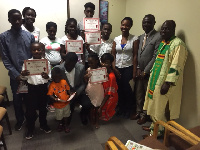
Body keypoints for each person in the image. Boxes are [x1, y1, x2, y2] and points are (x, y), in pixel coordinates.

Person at [143, 20, 188, 137]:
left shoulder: (178, 44)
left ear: (173, 30)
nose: (163, 31)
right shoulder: (164, 43)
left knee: (160, 107)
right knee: (154, 106)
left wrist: (167, 83)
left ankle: (157, 133)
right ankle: (154, 126)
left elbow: (176, 65)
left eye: (167, 29)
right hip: (156, 80)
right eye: (162, 28)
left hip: (164, 82)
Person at [0, 9, 35, 131]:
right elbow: (5, 58)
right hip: (15, 76)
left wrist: (28, 71)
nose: (17, 21)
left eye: (19, 19)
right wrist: (17, 74)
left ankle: (31, 119)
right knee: (17, 100)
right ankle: (20, 120)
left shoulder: (29, 36)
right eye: (13, 19)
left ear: (22, 19)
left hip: (28, 74)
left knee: (29, 99)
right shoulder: (3, 37)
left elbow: (33, 56)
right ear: (9, 20)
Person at [130, 14, 162, 125]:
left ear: (154, 23)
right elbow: (138, 54)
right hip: (140, 71)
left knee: (146, 94)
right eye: (144, 22)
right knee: (138, 93)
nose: (146, 24)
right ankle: (138, 112)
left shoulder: (158, 36)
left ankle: (144, 114)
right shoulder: (140, 37)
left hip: (149, 72)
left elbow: (156, 56)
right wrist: (138, 68)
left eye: (149, 22)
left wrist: (146, 71)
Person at [21, 42, 51, 140]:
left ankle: (43, 124)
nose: (37, 51)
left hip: (42, 88)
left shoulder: (46, 62)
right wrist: (23, 74)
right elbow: (24, 78)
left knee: (43, 108)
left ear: (42, 50)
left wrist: (48, 76)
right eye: (34, 50)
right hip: (31, 89)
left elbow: (49, 76)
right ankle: (30, 128)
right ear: (31, 51)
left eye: (39, 49)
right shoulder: (27, 63)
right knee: (30, 111)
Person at [112, 17, 139, 118]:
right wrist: (114, 68)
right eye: (123, 24)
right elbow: (113, 55)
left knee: (126, 87)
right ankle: (121, 107)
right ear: (120, 25)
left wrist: (134, 71)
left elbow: (135, 55)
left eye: (127, 25)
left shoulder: (134, 39)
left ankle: (129, 108)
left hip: (128, 66)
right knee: (119, 88)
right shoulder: (116, 39)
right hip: (118, 67)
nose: (124, 27)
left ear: (130, 26)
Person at [56, 52, 92, 125]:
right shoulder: (59, 69)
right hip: (66, 93)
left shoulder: (81, 68)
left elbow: (83, 83)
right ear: (65, 61)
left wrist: (76, 93)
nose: (70, 67)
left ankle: (83, 114)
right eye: (68, 64)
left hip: (78, 92)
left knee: (88, 104)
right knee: (68, 111)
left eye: (72, 65)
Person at [47, 67, 71, 133]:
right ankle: (60, 124)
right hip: (58, 105)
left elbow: (68, 89)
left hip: (66, 103)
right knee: (59, 117)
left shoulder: (64, 81)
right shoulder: (52, 85)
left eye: (59, 77)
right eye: (55, 78)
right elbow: (50, 94)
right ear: (52, 77)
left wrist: (71, 94)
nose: (57, 79)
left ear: (61, 76)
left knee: (66, 115)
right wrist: (54, 99)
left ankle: (66, 125)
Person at [84, 53, 104, 129]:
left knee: (97, 106)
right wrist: (86, 77)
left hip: (99, 90)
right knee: (91, 107)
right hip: (90, 89)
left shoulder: (101, 70)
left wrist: (106, 76)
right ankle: (92, 119)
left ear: (96, 61)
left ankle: (97, 121)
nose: (90, 64)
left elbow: (105, 79)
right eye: (89, 63)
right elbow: (85, 81)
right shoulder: (88, 70)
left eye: (91, 62)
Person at [99, 53, 118, 121]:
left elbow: (109, 94)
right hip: (103, 93)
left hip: (109, 96)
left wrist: (100, 107)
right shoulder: (101, 72)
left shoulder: (111, 77)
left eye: (106, 63)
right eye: (102, 62)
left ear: (110, 64)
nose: (103, 64)